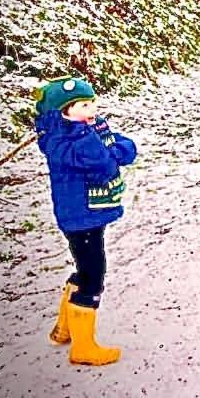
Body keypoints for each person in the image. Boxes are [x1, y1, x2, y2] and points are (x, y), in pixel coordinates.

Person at [33, 76, 137, 366]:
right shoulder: (61, 139)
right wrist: (99, 145)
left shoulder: (91, 126)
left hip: (92, 211)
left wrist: (111, 150)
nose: (91, 109)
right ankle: (83, 347)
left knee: (85, 267)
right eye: (83, 105)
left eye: (92, 102)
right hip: (79, 215)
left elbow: (126, 147)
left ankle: (64, 329)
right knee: (93, 274)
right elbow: (100, 163)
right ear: (64, 111)